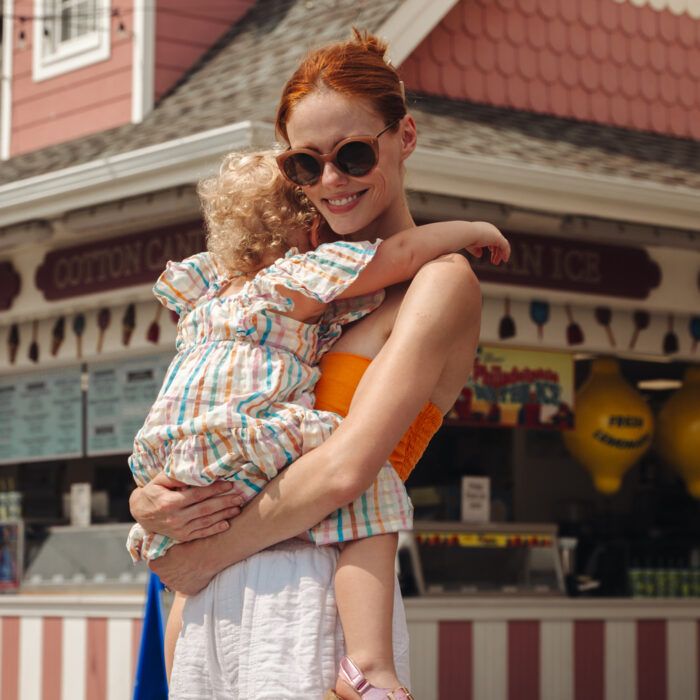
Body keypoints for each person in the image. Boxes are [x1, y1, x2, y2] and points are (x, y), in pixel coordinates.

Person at [129, 29, 497, 699]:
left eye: (355, 154)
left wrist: (203, 553)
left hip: (320, 607)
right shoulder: (281, 290)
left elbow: (345, 468)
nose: (333, 181)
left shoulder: (439, 282)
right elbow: (196, 426)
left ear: (405, 137)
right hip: (204, 612)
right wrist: (149, 503)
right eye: (307, 164)